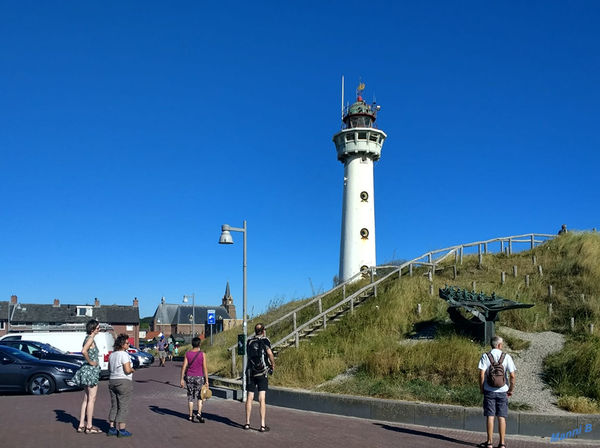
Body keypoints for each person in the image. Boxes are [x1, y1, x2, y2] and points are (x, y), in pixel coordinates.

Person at [478, 336, 516, 448]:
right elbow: (512, 376)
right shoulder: (506, 356)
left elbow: (481, 374)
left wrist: (481, 388)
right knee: (501, 416)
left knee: (490, 416)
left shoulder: (485, 356)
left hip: (489, 390)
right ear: (499, 345)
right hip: (503, 391)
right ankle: (502, 443)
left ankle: (489, 442)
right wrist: (510, 390)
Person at [244, 323, 275, 432]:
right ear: (263, 331)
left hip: (250, 372)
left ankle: (247, 423)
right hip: (262, 372)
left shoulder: (249, 341)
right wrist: (273, 364)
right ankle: (262, 425)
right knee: (262, 398)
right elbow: (270, 354)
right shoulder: (265, 341)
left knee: (249, 397)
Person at [73, 319, 102, 434]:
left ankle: (81, 424)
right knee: (92, 399)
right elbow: (84, 351)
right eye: (98, 328)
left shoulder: (87, 338)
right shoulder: (90, 339)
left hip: (86, 371)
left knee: (86, 398)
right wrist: (90, 362)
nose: (99, 329)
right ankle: (89, 426)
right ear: (93, 329)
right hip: (91, 371)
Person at [107, 333, 135, 437]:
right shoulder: (124, 354)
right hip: (123, 381)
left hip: (112, 381)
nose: (129, 345)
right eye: (127, 343)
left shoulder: (112, 355)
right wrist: (132, 369)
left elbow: (110, 369)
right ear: (122, 344)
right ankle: (122, 430)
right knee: (123, 406)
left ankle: (111, 428)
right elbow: (127, 370)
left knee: (114, 405)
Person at [179, 337, 209, 423]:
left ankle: (190, 416)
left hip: (189, 377)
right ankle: (199, 413)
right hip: (199, 377)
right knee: (200, 396)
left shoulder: (187, 354)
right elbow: (205, 368)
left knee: (190, 397)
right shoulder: (202, 354)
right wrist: (207, 380)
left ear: (192, 344)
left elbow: (184, 367)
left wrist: (181, 379)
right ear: (199, 344)